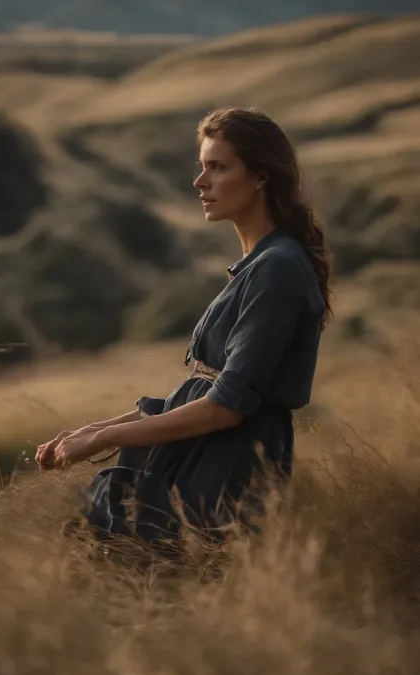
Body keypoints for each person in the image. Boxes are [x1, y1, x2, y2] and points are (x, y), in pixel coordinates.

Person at [35, 107, 331, 549]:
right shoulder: (260, 265)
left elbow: (226, 406)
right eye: (201, 167)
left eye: (217, 167)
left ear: (261, 176)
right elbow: (197, 390)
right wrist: (92, 431)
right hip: (194, 460)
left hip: (221, 474)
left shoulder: (279, 269)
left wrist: (109, 436)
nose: (200, 183)